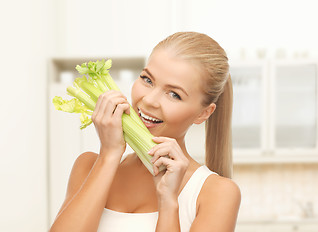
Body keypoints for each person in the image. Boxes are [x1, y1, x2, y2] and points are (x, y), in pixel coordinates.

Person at [49, 32, 241, 232]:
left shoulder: (216, 193)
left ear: (203, 114)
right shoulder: (88, 166)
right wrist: (109, 154)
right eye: (147, 80)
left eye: (174, 94)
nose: (149, 100)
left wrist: (168, 202)